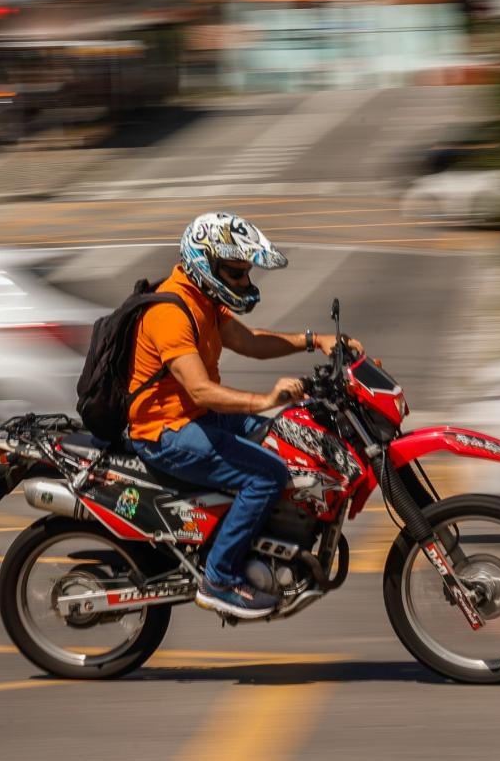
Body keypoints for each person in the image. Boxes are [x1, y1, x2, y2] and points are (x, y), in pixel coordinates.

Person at [127, 211, 361, 620]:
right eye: (236, 273)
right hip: (166, 432)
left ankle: (263, 539)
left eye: (245, 273)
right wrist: (265, 398)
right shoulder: (171, 312)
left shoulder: (202, 298)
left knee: (288, 432)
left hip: (198, 417)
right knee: (265, 475)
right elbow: (200, 389)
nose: (243, 282)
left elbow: (249, 342)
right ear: (205, 262)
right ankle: (219, 577)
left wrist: (316, 340)